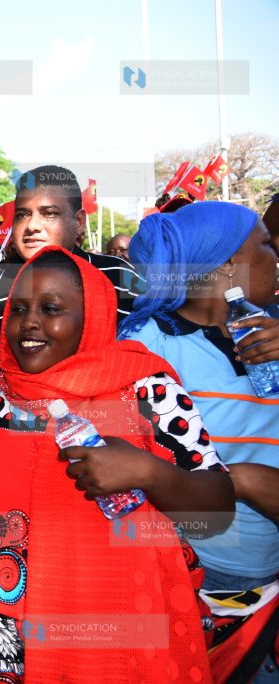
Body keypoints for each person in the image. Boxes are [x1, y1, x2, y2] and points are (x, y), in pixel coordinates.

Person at [0, 246, 234, 681]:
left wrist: (146, 471)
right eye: (18, 309)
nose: (29, 322)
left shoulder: (147, 392)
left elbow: (218, 509)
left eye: (51, 309)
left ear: (91, 318)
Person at [118, 202, 279, 683]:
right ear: (229, 264)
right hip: (202, 580)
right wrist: (244, 484)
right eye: (266, 244)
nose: (276, 255)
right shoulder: (148, 346)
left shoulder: (270, 327)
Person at [0, 165, 142, 365]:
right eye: (22, 214)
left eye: (49, 213)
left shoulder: (120, 277)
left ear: (78, 222)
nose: (32, 226)